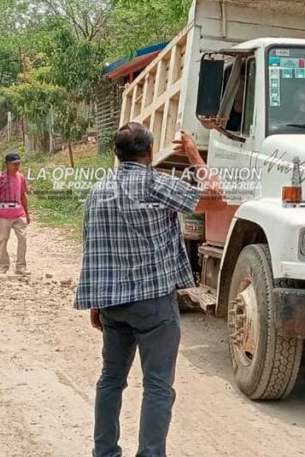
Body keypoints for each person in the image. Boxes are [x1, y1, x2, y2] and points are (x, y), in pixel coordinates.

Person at [76, 122, 226, 457]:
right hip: (154, 304)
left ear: (116, 153)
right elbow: (216, 199)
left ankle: (105, 452)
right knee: (157, 385)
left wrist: (97, 301)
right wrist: (194, 155)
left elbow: (93, 247)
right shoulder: (157, 183)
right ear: (149, 151)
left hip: (112, 304)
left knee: (110, 380)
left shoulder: (98, 191)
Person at [0, 152, 30, 275]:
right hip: (3, 216)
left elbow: (23, 196)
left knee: (22, 239)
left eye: (18, 164)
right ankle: (3, 266)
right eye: (14, 164)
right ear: (7, 164)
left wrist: (27, 214)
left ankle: (20, 267)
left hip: (19, 214)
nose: (17, 166)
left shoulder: (21, 178)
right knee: (3, 241)